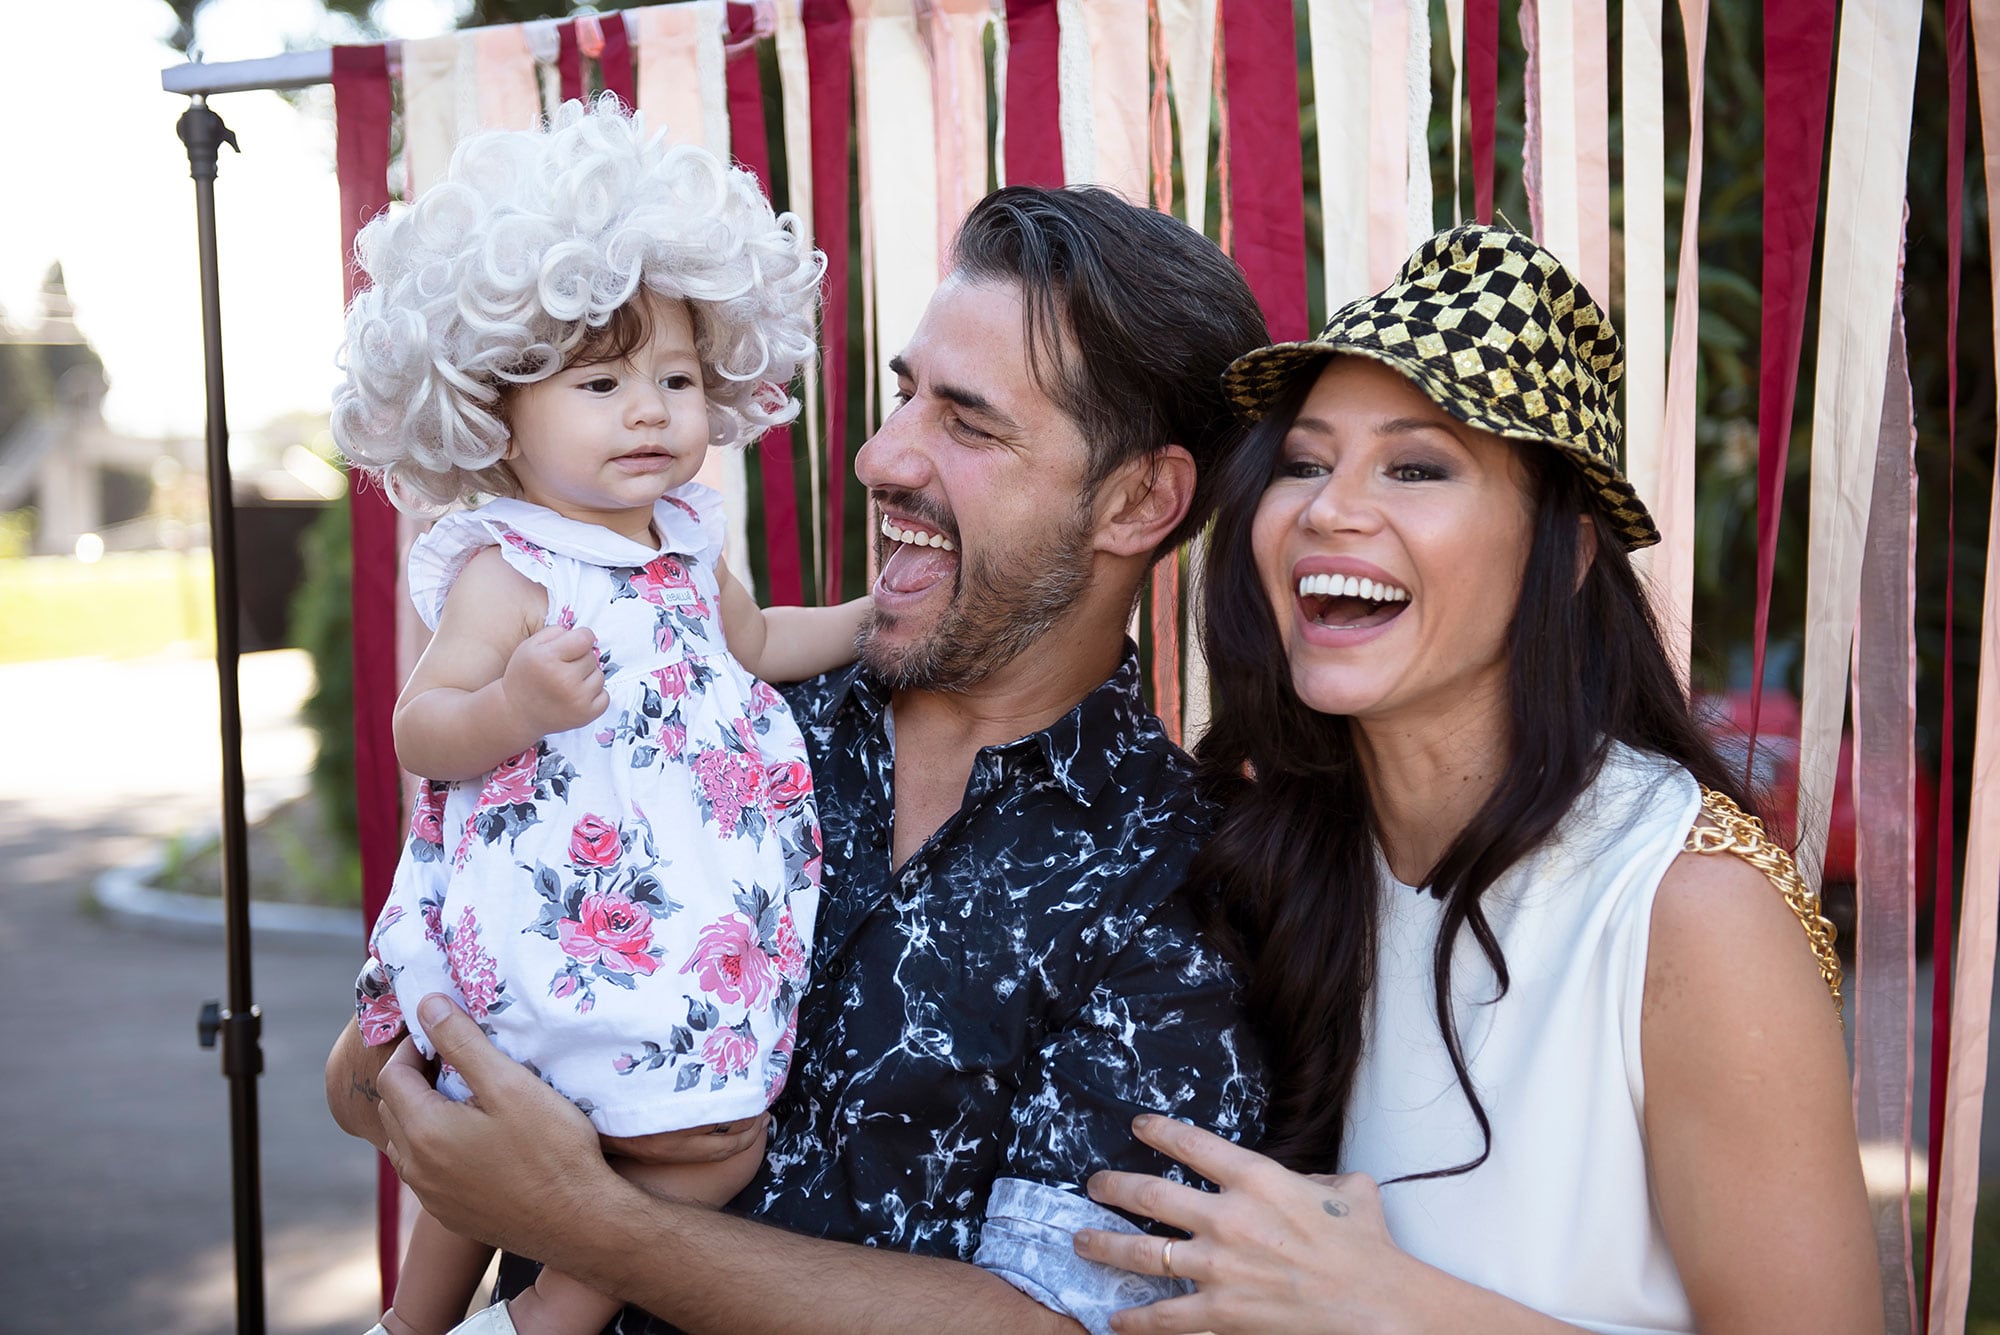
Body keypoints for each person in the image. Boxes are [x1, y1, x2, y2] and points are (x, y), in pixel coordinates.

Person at [327, 184, 1275, 1334]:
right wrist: (410, 1065)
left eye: (967, 423)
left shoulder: (1181, 878)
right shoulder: (703, 703)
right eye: (901, 395)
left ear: (1136, 500)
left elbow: (1053, 1319)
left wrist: (589, 1220)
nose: (879, 456)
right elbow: (369, 1076)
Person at [1070, 224, 1880, 1333]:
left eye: (1415, 466)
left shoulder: (1689, 909)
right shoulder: (1284, 851)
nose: (1327, 510)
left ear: (1570, 550)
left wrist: (1388, 1306)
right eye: (1303, 462)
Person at [330, 99, 871, 1335]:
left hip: (674, 928)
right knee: (478, 1140)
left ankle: (534, 1326)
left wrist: (868, 619)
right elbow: (425, 728)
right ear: (492, 412)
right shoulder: (507, 565)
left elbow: (751, 647)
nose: (650, 410)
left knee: (708, 1150)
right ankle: (411, 1325)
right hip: (544, 922)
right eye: (601, 381)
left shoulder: (685, 539)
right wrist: (514, 702)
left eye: (677, 379)